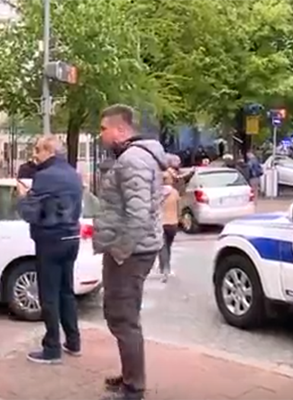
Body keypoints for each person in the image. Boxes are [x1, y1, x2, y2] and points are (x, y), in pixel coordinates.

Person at [93, 104, 167, 400]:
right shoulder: (133, 158)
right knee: (121, 315)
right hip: (133, 249)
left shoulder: (133, 160)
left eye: (104, 129)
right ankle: (130, 376)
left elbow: (138, 216)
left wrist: (120, 250)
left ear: (121, 129)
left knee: (123, 318)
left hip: (131, 252)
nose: (101, 135)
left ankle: (133, 387)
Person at [16, 135, 83, 364]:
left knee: (49, 295)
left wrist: (23, 197)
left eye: (38, 150)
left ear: (49, 151)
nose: (35, 155)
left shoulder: (44, 177)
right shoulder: (73, 173)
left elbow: (31, 213)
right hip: (71, 236)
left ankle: (52, 348)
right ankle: (73, 341)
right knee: (66, 291)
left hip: (50, 239)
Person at [158, 170, 180, 282]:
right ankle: (166, 267)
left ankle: (164, 269)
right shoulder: (175, 193)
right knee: (168, 246)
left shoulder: (157, 193)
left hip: (161, 223)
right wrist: (179, 219)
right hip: (173, 223)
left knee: (162, 247)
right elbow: (178, 207)